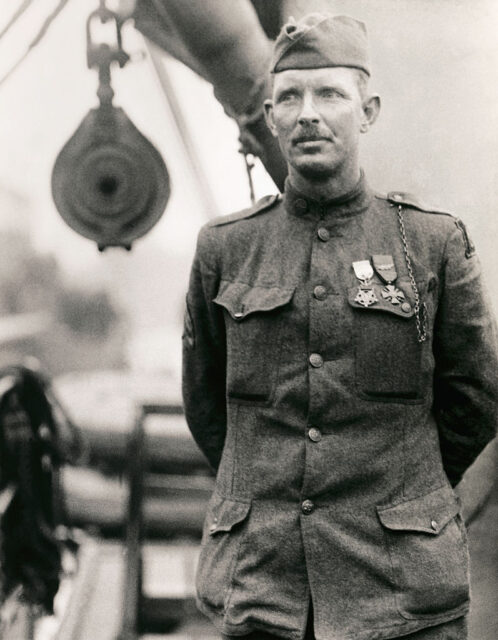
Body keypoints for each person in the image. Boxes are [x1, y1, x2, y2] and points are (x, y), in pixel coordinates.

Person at [182, 13, 498, 640]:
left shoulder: (431, 242)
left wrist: (407, 492)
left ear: (368, 109)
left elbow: (478, 399)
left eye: (330, 93)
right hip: (264, 589)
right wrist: (267, 487)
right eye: (291, 96)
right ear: (270, 115)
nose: (308, 114)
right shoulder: (226, 248)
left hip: (402, 592)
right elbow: (206, 405)